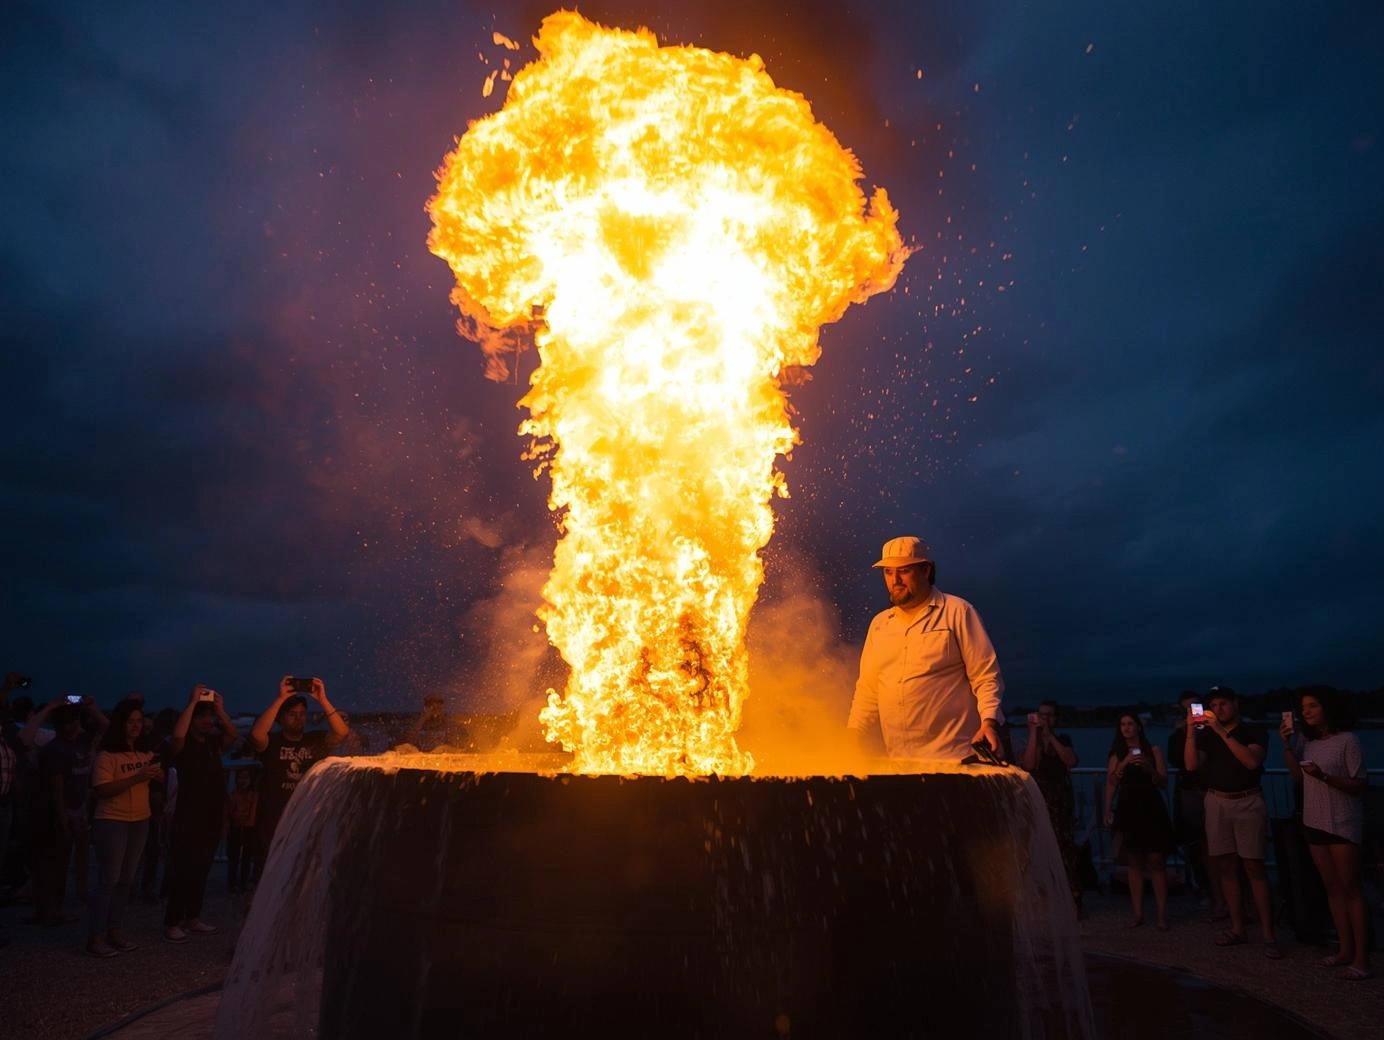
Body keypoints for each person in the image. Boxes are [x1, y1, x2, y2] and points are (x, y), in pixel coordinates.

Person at [846, 536, 1005, 761]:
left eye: (904, 571)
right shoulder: (880, 625)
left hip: (956, 759)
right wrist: (854, 734)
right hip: (901, 762)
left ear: (926, 570)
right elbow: (868, 690)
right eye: (888, 572)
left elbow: (986, 676)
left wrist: (989, 722)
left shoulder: (958, 612)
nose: (895, 580)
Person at [1183, 686, 1280, 957]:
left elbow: (1251, 761)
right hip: (1217, 801)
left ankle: (1268, 934)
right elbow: (1191, 765)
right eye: (1214, 705)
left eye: (1223, 703)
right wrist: (1190, 731)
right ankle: (1237, 928)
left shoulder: (1253, 731)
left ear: (1235, 704)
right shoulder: (1207, 735)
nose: (1219, 709)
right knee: (1226, 867)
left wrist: (1221, 732)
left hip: (1248, 801)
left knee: (1254, 867)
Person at [1281, 689, 1371, 980]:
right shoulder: (1306, 742)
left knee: (1351, 889)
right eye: (1303, 707)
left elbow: (1359, 784)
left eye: (1313, 706)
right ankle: (1344, 950)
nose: (1306, 711)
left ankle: (1361, 959)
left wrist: (1324, 777)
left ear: (1327, 708)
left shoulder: (1348, 740)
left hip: (1342, 822)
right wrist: (1286, 747)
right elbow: (1298, 777)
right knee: (1332, 888)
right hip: (1314, 820)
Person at [247, 676, 349, 883]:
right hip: (274, 818)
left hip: (306, 816)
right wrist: (280, 699)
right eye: (292, 714)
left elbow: (341, 733)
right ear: (281, 718)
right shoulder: (273, 742)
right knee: (270, 870)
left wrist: (323, 700)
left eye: (302, 714)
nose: (299, 718)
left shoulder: (315, 740)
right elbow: (257, 735)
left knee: (302, 871)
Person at [86, 699, 163, 957]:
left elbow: (155, 779)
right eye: (130, 721)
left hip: (140, 819)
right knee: (109, 878)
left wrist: (157, 775)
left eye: (139, 721)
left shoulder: (144, 753)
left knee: (126, 879)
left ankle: (115, 930)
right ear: (120, 724)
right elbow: (102, 789)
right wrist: (136, 777)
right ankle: (96, 936)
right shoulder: (107, 756)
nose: (136, 726)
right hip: (112, 820)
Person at [162, 685, 239, 942]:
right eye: (201, 716)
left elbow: (233, 735)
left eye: (210, 716)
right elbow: (176, 737)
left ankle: (192, 917)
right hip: (188, 815)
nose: (207, 721)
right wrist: (192, 702)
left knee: (202, 869)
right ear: (192, 718)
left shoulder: (213, 741)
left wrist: (221, 710)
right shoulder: (183, 745)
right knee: (183, 869)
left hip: (212, 814)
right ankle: (173, 921)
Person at [1103, 712, 1175, 930]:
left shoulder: (1154, 750)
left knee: (1156, 860)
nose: (1126, 728)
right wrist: (1107, 809)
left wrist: (1149, 768)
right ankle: (1138, 914)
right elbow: (1112, 782)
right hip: (1128, 806)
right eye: (1122, 724)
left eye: (1130, 723)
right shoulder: (1117, 754)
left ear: (1138, 727)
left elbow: (1163, 782)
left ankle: (1161, 916)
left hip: (1151, 805)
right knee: (1133, 861)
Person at [1021, 700, 1082, 913]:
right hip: (1039, 796)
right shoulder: (1032, 740)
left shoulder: (1063, 739)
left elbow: (1071, 761)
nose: (1044, 718)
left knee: (1065, 846)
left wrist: (1050, 737)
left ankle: (1073, 896)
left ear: (1055, 718)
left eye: (1048, 715)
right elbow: (1028, 765)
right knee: (1039, 846)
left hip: (1060, 798)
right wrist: (1034, 734)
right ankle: (1046, 896)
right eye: (1041, 714)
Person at [1166, 690, 1222, 918]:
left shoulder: (1214, 730)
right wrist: (1185, 733)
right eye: (1187, 708)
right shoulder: (1177, 736)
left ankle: (1224, 895)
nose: (1192, 711)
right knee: (1195, 844)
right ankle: (1206, 889)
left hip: (1215, 790)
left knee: (1218, 845)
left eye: (1195, 706)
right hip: (1190, 793)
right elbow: (1178, 761)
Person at [225, 768, 258, 892]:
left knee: (246, 857)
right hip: (236, 828)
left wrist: (247, 821)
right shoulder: (233, 795)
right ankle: (232, 883)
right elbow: (230, 812)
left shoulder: (253, 795)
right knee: (233, 857)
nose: (243, 781)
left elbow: (253, 813)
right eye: (240, 777)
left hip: (248, 828)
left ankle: (243, 882)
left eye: (246, 778)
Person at [403, 694, 470, 753]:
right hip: (421, 758)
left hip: (440, 759)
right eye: (430, 703)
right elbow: (408, 741)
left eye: (439, 703)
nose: (434, 707)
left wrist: (443, 719)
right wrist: (423, 719)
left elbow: (457, 744)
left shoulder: (448, 723)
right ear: (425, 707)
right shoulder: (417, 723)